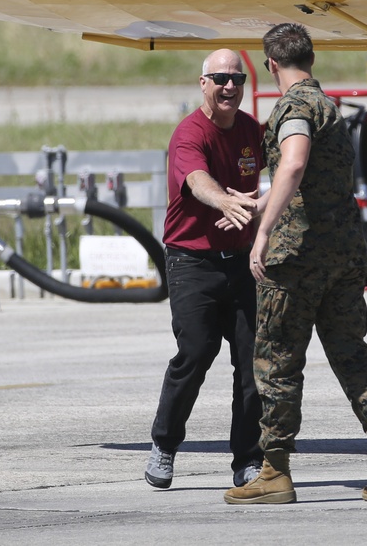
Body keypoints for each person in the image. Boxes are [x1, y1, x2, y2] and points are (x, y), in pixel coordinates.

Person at [223, 23, 367, 505]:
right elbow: (309, 177)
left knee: (277, 363)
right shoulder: (329, 105)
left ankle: (274, 471)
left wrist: (264, 232)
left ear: (271, 64)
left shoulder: (293, 106)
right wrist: (266, 200)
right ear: (310, 60)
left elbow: (292, 163)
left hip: (296, 260)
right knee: (352, 355)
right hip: (343, 256)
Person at [145, 48, 267, 489]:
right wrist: (227, 201)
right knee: (195, 354)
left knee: (253, 363)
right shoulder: (189, 134)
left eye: (236, 79)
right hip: (191, 261)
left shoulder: (252, 131)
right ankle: (163, 444)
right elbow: (197, 181)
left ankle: (248, 460)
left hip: (241, 262)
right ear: (203, 84)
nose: (229, 86)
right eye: (219, 78)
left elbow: (290, 159)